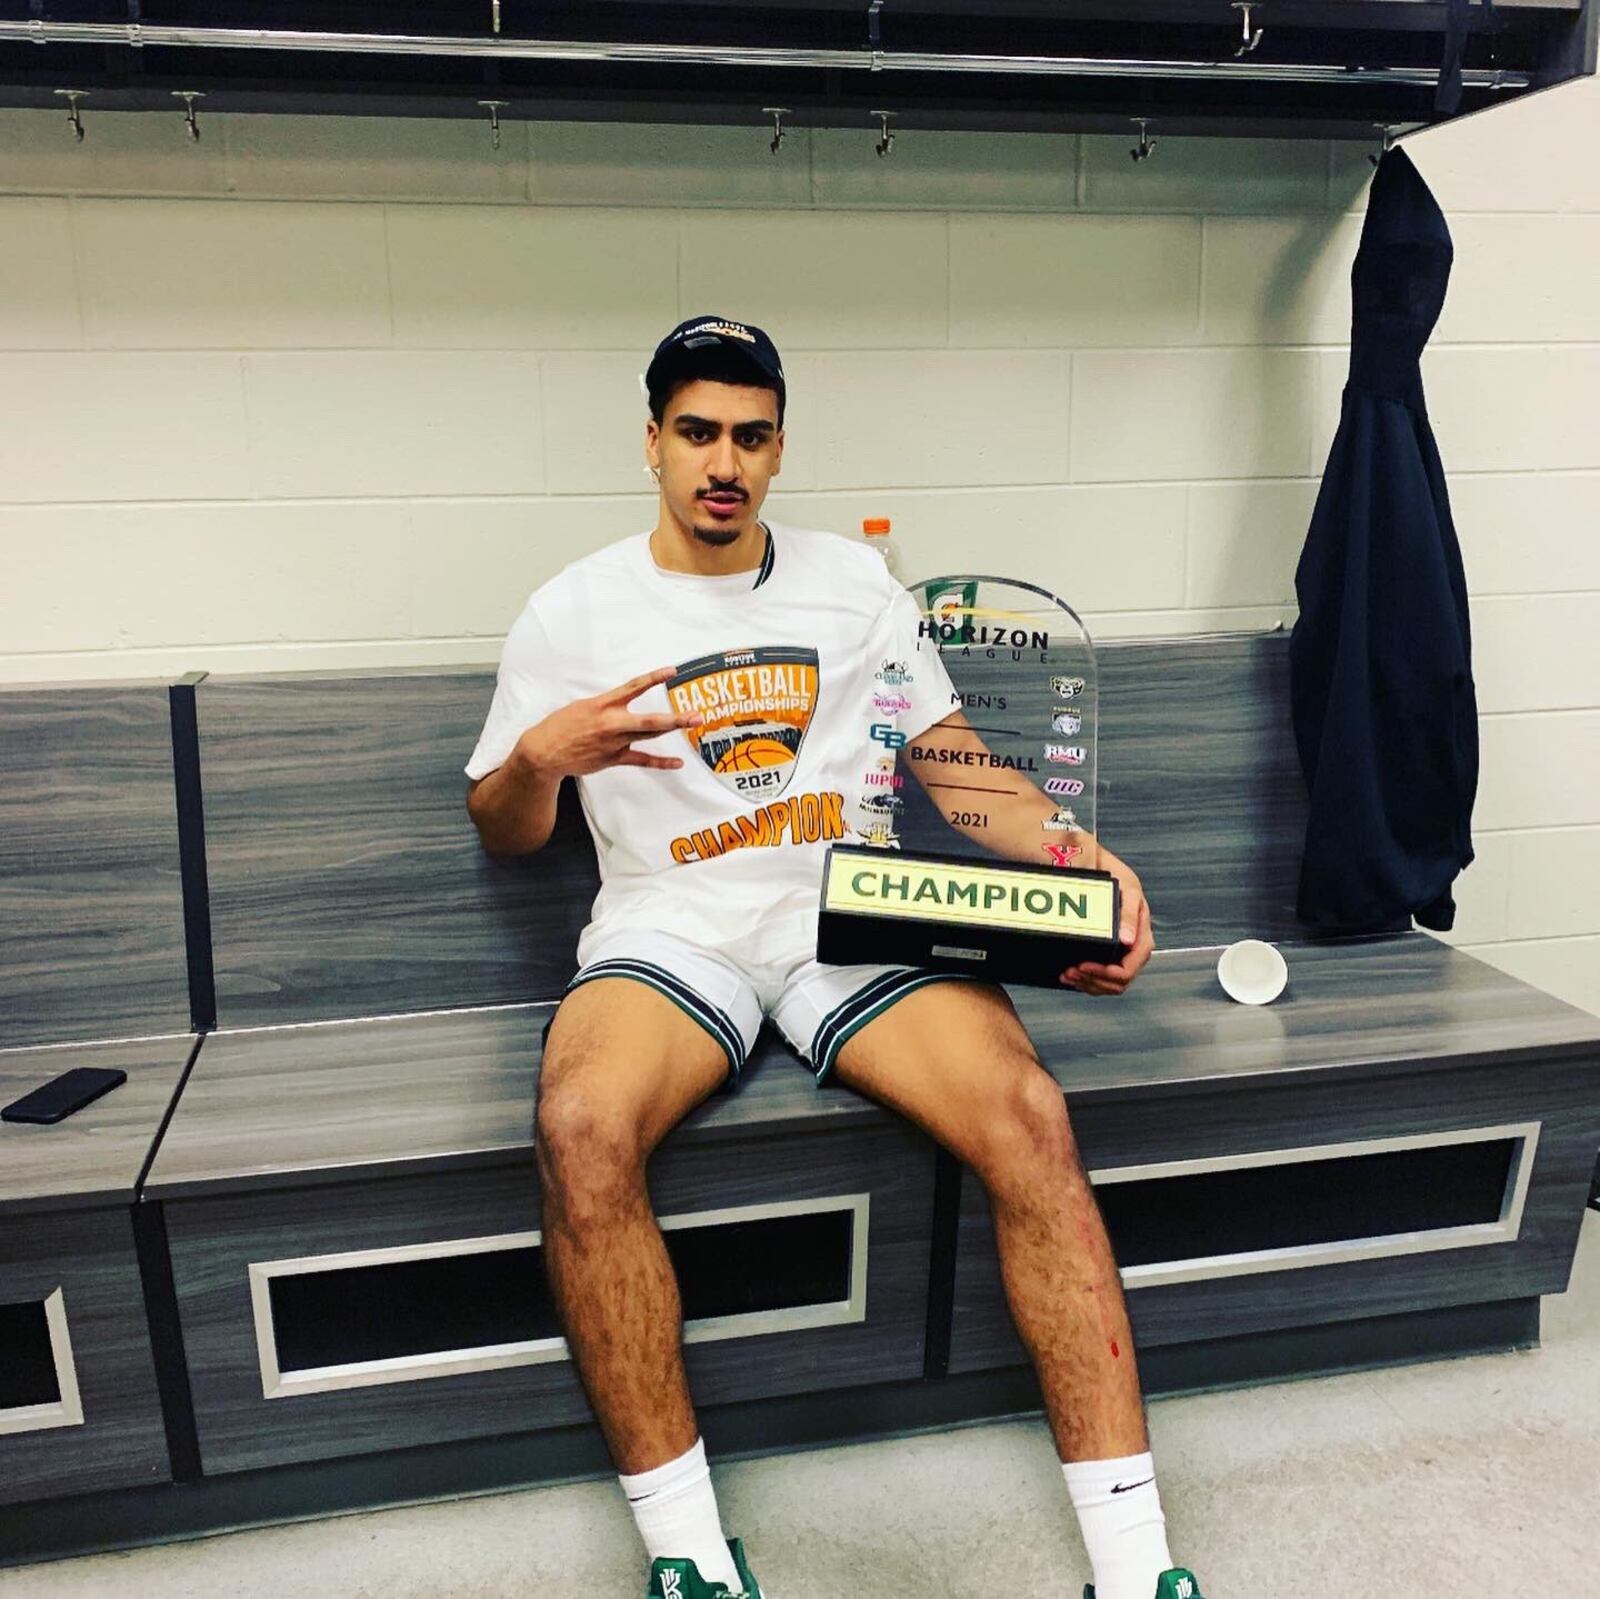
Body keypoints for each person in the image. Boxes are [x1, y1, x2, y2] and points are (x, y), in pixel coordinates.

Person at [464, 314, 1206, 1599]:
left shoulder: (854, 589)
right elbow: (503, 831)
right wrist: (540, 761)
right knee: (581, 1123)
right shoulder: (570, 610)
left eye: (751, 438)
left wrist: (1072, 853)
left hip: (845, 916)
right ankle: (692, 1561)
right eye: (697, 432)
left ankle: (1137, 1571)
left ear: (779, 450)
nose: (723, 462)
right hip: (669, 928)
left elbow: (956, 768)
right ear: (650, 442)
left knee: (1028, 1113)